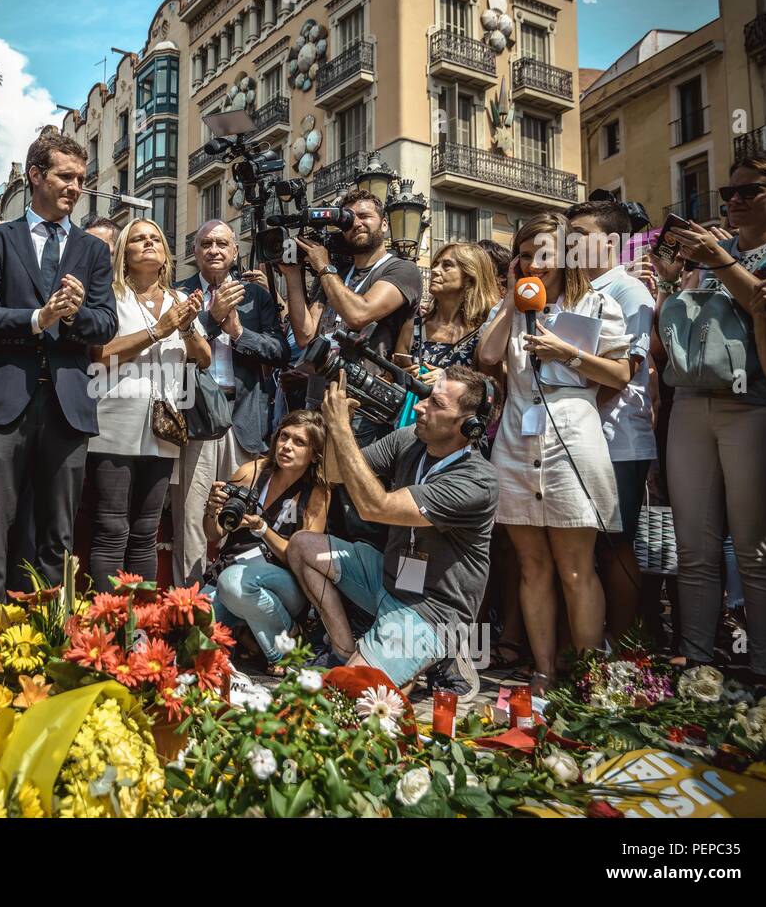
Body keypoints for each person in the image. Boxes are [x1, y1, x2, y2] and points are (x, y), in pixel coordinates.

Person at [477, 212, 631, 695]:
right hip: (518, 441)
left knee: (574, 568)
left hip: (573, 435)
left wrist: (568, 354)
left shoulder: (597, 303)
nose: (533, 263)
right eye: (525, 255)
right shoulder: (516, 303)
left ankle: (589, 680)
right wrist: (508, 296)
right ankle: (542, 671)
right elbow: (486, 357)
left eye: (542, 254)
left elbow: (621, 374)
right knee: (532, 567)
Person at [0, 132, 117, 603]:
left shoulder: (92, 252)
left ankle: (50, 639)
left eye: (81, 179)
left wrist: (71, 315)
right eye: (65, 177)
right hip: (3, 404)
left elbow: (106, 323)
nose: (75, 187)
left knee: (58, 534)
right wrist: (38, 318)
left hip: (67, 408)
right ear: (36, 175)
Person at [656, 153, 766, 680]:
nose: (732, 202)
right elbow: (671, 339)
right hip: (691, 401)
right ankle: (698, 663)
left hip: (758, 403)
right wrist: (671, 281)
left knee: (757, 548)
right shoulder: (712, 254)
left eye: (747, 192)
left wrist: (716, 261)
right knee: (693, 547)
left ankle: (765, 671)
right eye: (727, 194)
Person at [287, 366, 499, 685]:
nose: (418, 406)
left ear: (468, 427)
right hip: (390, 582)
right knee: (302, 545)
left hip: (432, 613)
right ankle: (346, 651)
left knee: (351, 692)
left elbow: (376, 508)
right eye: (426, 398)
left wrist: (344, 430)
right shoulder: (410, 439)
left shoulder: (476, 481)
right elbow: (333, 473)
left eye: (436, 404)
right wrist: (333, 429)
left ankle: (440, 655)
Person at [87, 219, 210, 588]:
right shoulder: (109, 295)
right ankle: (106, 625)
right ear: (124, 252)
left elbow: (202, 359)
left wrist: (186, 326)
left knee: (146, 530)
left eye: (155, 238)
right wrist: (159, 330)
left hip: (165, 425)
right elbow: (99, 355)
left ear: (165, 254)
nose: (148, 243)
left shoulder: (177, 299)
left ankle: (142, 625)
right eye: (138, 239)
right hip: (114, 424)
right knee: (112, 527)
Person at [171, 219, 289, 586]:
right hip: (197, 417)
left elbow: (280, 351)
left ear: (235, 251)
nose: (214, 250)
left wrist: (237, 331)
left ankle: (228, 602)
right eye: (206, 243)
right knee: (191, 518)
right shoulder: (178, 294)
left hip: (244, 419)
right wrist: (210, 317)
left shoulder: (256, 297)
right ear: (195, 252)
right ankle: (186, 606)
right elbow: (173, 349)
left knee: (235, 515)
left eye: (222, 243)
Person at [565, 199, 657, 641]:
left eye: (581, 235)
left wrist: (574, 408)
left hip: (618, 439)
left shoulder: (630, 292)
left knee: (616, 545)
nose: (569, 243)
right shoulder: (575, 290)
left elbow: (626, 371)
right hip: (582, 438)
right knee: (588, 545)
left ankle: (623, 650)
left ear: (613, 242)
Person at [279, 187, 422, 442]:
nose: (356, 223)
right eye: (348, 219)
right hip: (319, 397)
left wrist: (322, 266)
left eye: (365, 216)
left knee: (349, 479)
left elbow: (360, 314)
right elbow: (305, 335)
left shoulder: (402, 269)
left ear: (385, 224)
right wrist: (291, 274)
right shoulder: (336, 273)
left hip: (362, 406)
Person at [203, 410, 330, 675]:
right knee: (192, 632)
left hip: (284, 581)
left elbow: (305, 561)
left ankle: (285, 650)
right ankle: (246, 635)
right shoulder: (251, 472)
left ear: (314, 454)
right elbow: (213, 534)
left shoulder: (317, 492)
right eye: (284, 437)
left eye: (299, 442)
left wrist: (261, 528)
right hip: (232, 570)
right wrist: (212, 509)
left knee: (234, 583)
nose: (287, 446)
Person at [393, 241, 500, 385]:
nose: (435, 270)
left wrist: (451, 380)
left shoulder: (484, 332)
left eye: (447, 265)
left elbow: (494, 391)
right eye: (435, 264)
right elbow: (395, 378)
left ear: (469, 276)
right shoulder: (413, 326)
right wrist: (401, 375)